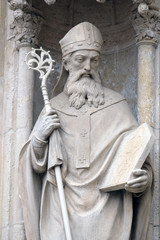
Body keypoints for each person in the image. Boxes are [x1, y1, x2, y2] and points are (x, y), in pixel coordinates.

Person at [19, 22, 152, 240]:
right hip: (60, 208)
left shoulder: (117, 105)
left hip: (109, 210)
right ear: (67, 63)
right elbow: (34, 165)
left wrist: (142, 180)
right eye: (81, 60)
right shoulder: (53, 108)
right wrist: (40, 137)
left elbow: (137, 156)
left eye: (94, 60)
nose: (88, 67)